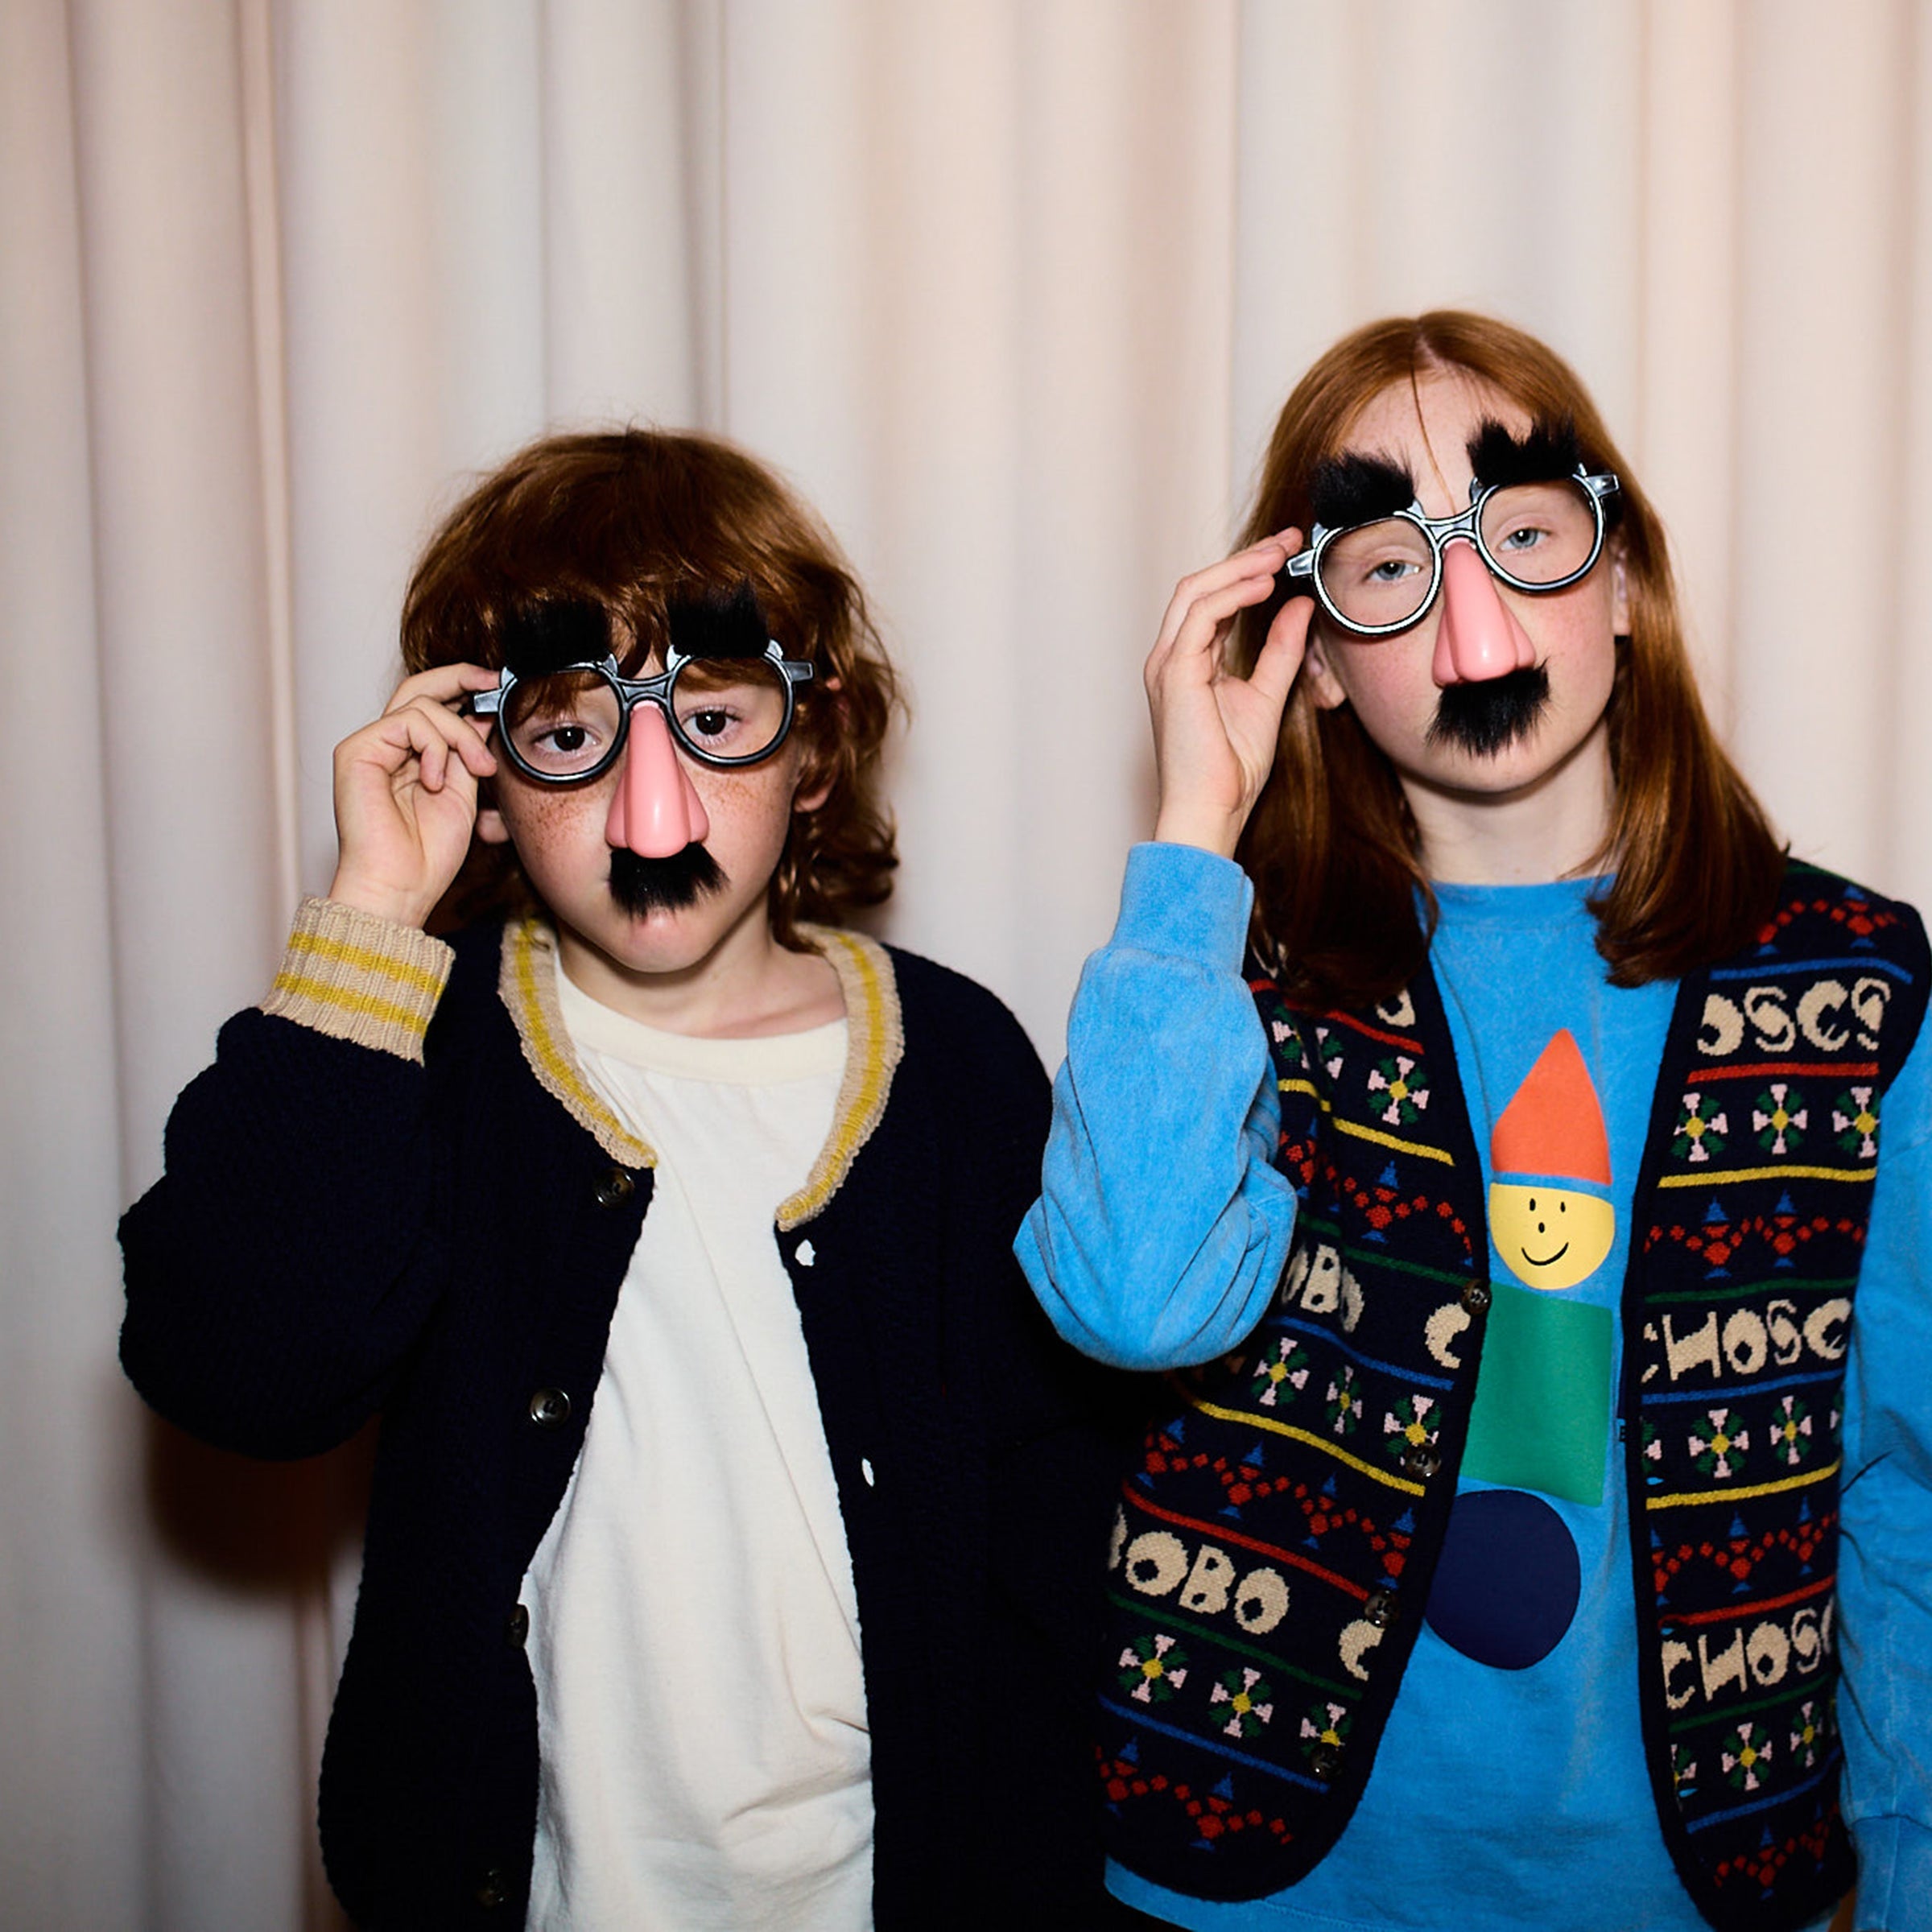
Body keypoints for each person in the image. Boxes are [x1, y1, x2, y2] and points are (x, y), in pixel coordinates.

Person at [120, 428, 1130, 1930]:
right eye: (574, 733)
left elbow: (1052, 1539)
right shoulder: (426, 1038)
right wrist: (372, 923)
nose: (651, 812)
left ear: (816, 740)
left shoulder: (962, 1063)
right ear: (480, 755)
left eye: (716, 720)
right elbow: (241, 1369)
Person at [1018, 312, 1932, 1932]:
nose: (1474, 615)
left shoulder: (1856, 986)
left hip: (1702, 1885)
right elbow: (1131, 1301)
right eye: (1388, 564)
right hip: (1262, 1878)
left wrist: (1910, 1866)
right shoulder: (1225, 977)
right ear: (1308, 650)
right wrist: (1189, 844)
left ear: (1626, 578)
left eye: (1523, 535)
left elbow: (1905, 1492)